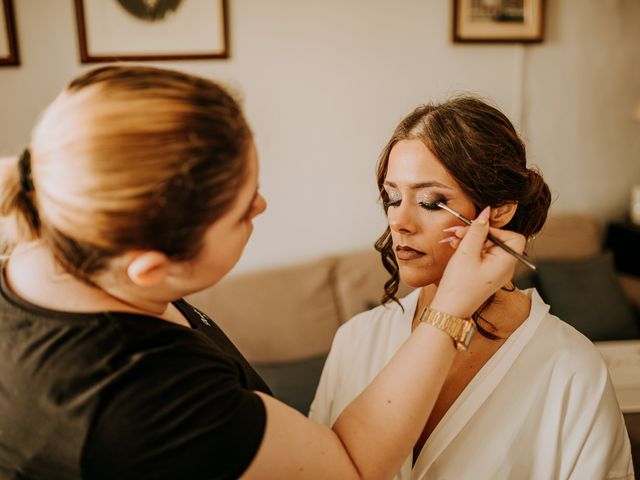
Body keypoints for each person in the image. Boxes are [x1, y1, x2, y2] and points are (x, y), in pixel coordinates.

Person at [0, 66, 524, 479]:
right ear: (151, 269)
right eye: (242, 209)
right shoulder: (137, 405)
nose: (262, 204)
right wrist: (449, 310)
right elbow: (350, 470)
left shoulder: (58, 251)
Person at [309, 97, 635, 479]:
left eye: (431, 202)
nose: (400, 221)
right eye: (392, 197)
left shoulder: (571, 368)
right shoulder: (356, 341)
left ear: (499, 210)